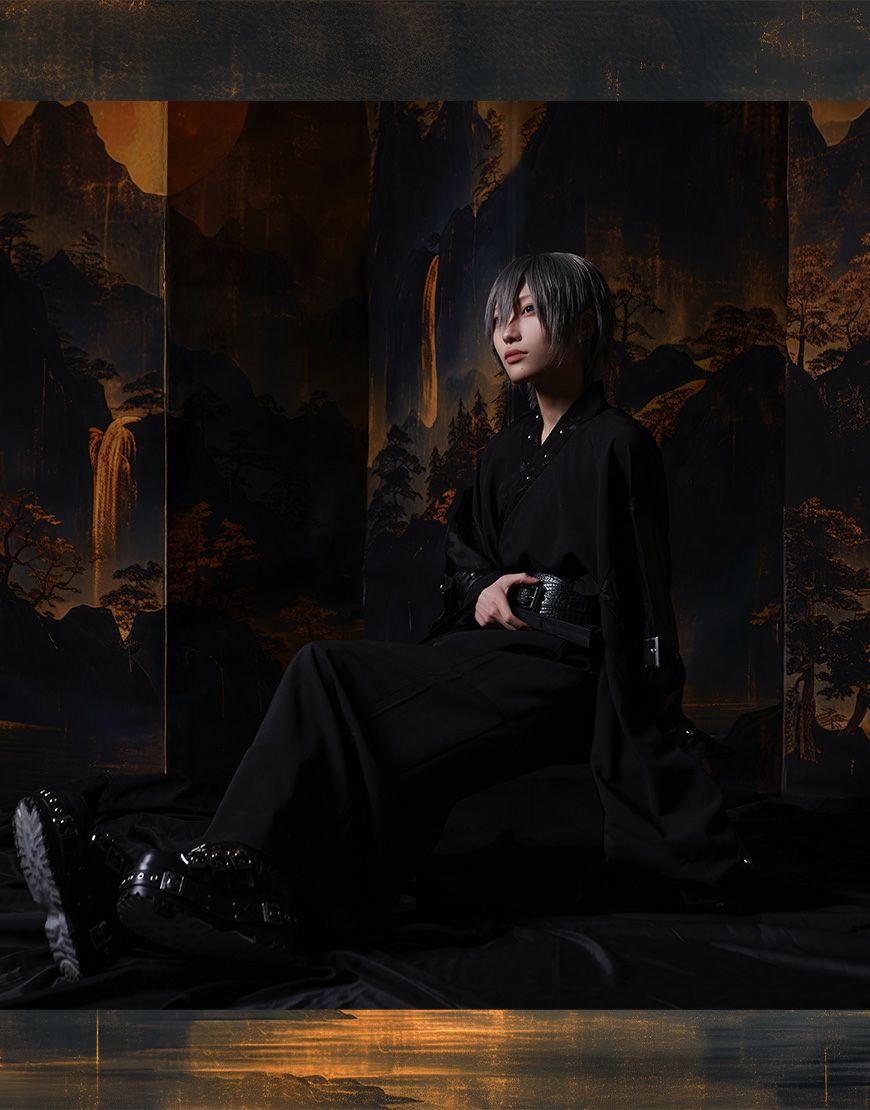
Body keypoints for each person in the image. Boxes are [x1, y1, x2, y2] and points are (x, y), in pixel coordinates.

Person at [12, 252, 747, 981]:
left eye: (527, 312)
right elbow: (465, 559)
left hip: (567, 672)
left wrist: (656, 720)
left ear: (583, 326)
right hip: (492, 654)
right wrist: (483, 588)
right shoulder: (504, 454)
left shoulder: (620, 444)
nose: (506, 332)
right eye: (500, 317)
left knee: (327, 671)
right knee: (338, 708)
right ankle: (155, 900)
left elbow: (640, 597)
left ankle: (230, 873)